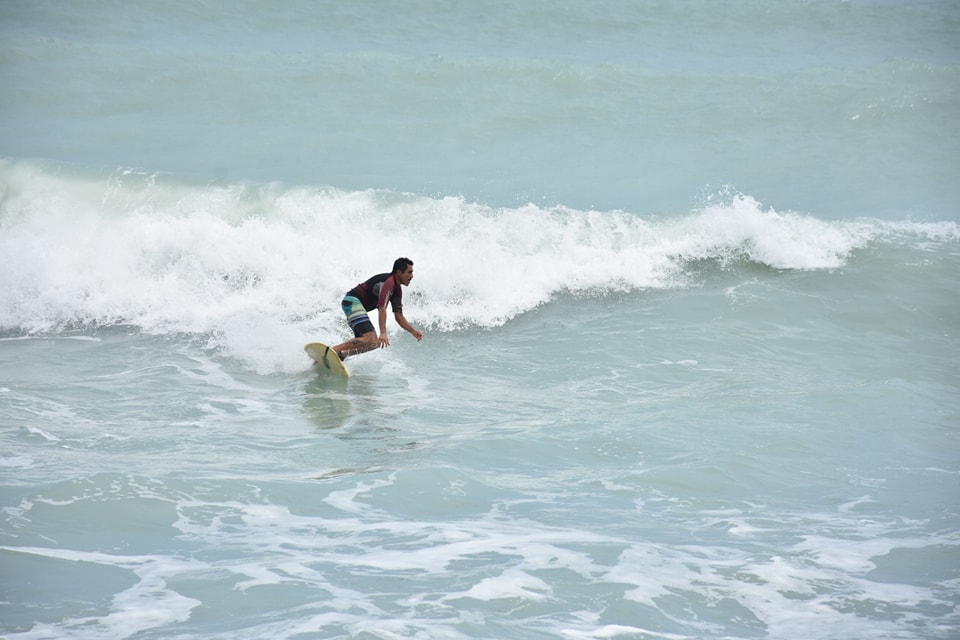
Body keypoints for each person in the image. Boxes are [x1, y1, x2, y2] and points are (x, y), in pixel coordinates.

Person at [330, 257, 424, 360]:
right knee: (369, 338)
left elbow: (399, 316)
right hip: (352, 301)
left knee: (374, 343)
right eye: (409, 272)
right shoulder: (388, 282)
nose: (412, 276)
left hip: (356, 305)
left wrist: (413, 331)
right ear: (399, 272)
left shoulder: (397, 289)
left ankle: (341, 355)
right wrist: (383, 333)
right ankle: (332, 351)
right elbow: (381, 307)